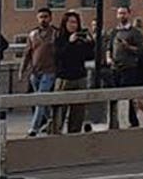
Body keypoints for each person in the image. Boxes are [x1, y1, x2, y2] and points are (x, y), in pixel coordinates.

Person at [51, 11, 95, 133]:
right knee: (59, 110)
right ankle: (55, 133)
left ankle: (74, 134)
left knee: (78, 112)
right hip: (64, 78)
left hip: (80, 77)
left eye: (75, 22)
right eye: (71, 22)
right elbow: (59, 56)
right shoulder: (59, 39)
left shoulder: (80, 39)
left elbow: (89, 57)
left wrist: (90, 43)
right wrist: (70, 43)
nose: (73, 25)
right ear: (65, 23)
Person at [104, 6, 143, 129]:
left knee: (126, 95)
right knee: (114, 95)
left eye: (124, 13)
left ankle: (130, 121)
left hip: (129, 68)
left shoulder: (135, 32)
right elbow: (109, 48)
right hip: (115, 67)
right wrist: (109, 58)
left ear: (129, 14)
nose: (122, 15)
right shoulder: (114, 31)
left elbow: (140, 50)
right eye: (119, 13)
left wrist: (128, 47)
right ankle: (116, 121)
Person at [23, 8, 59, 136]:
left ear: (50, 18)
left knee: (40, 98)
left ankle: (34, 128)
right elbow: (27, 53)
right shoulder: (32, 34)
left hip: (49, 71)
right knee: (42, 101)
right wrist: (22, 70)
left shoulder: (55, 33)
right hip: (35, 72)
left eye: (45, 17)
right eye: (41, 17)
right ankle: (51, 121)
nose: (43, 19)